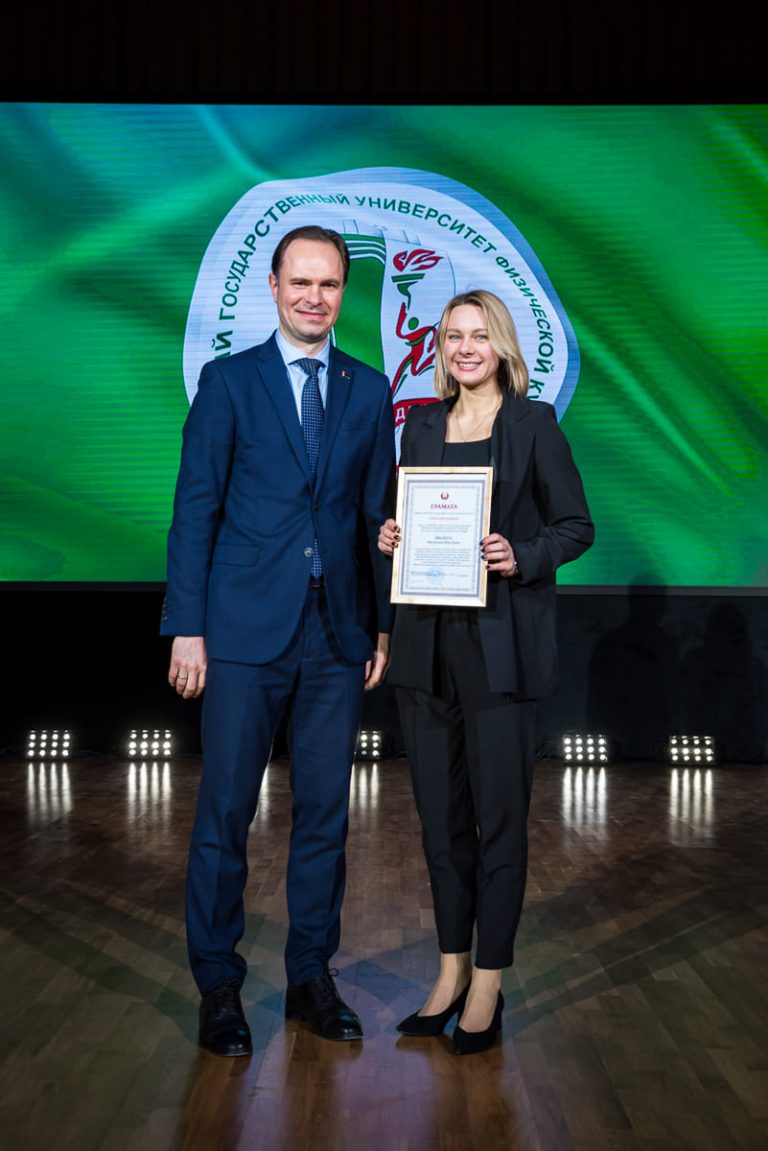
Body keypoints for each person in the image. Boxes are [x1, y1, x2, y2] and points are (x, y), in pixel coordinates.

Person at [161, 225, 395, 1055]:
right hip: (240, 633)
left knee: (326, 813)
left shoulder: (369, 390)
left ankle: (309, 976)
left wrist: (381, 623)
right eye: (300, 282)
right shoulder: (228, 382)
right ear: (272, 285)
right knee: (225, 812)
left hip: (336, 636)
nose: (314, 297)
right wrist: (187, 627)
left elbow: (375, 515)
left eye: (328, 284)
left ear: (343, 292)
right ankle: (219, 984)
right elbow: (195, 510)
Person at [378, 290, 593, 1055]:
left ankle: (488, 984)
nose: (465, 347)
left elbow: (576, 526)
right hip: (425, 648)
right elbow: (402, 516)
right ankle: (448, 972)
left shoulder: (535, 424)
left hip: (502, 652)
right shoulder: (419, 424)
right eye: (453, 336)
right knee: (440, 824)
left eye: (479, 335)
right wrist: (391, 532)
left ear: (502, 345)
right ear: (439, 347)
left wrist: (521, 554)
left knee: (498, 822)